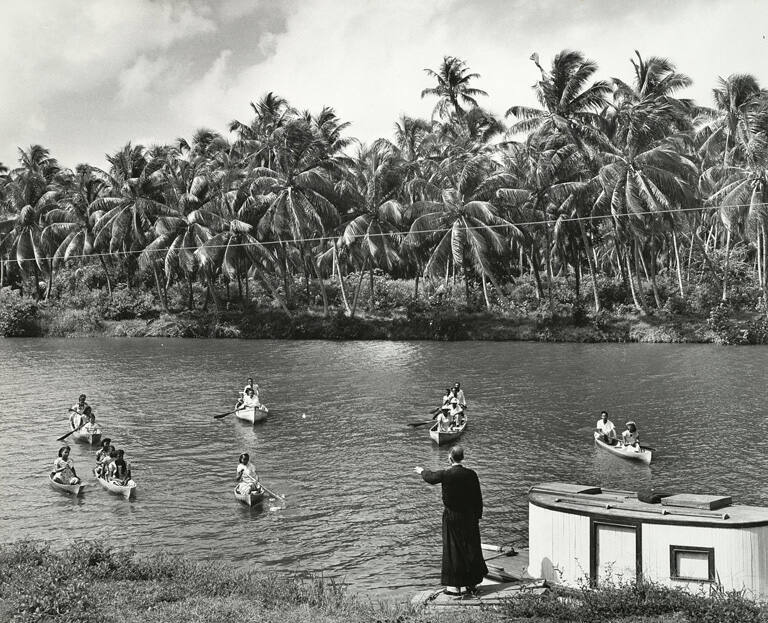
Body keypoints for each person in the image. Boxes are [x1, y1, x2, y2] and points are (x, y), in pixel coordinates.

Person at [414, 445, 487, 597]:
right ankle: (471, 585)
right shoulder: (472, 474)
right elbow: (477, 498)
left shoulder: (447, 474)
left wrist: (421, 471)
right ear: (463, 457)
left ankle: (454, 588)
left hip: (452, 517)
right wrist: (477, 517)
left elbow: (431, 478)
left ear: (450, 458)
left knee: (453, 550)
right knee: (471, 549)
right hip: (469, 517)